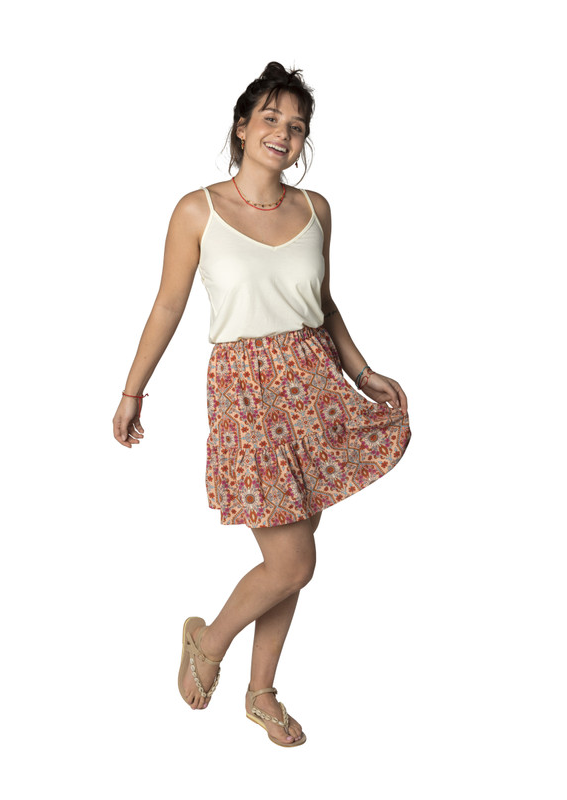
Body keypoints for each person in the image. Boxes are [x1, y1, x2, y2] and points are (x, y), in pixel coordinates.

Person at [112, 62, 411, 747]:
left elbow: (322, 302)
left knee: (292, 557)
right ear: (242, 127)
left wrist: (362, 371)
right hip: (247, 392)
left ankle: (261, 693)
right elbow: (168, 305)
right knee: (293, 561)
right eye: (271, 118)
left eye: (297, 125)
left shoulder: (316, 209)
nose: (283, 133)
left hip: (314, 381)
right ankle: (209, 642)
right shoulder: (198, 209)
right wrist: (132, 391)